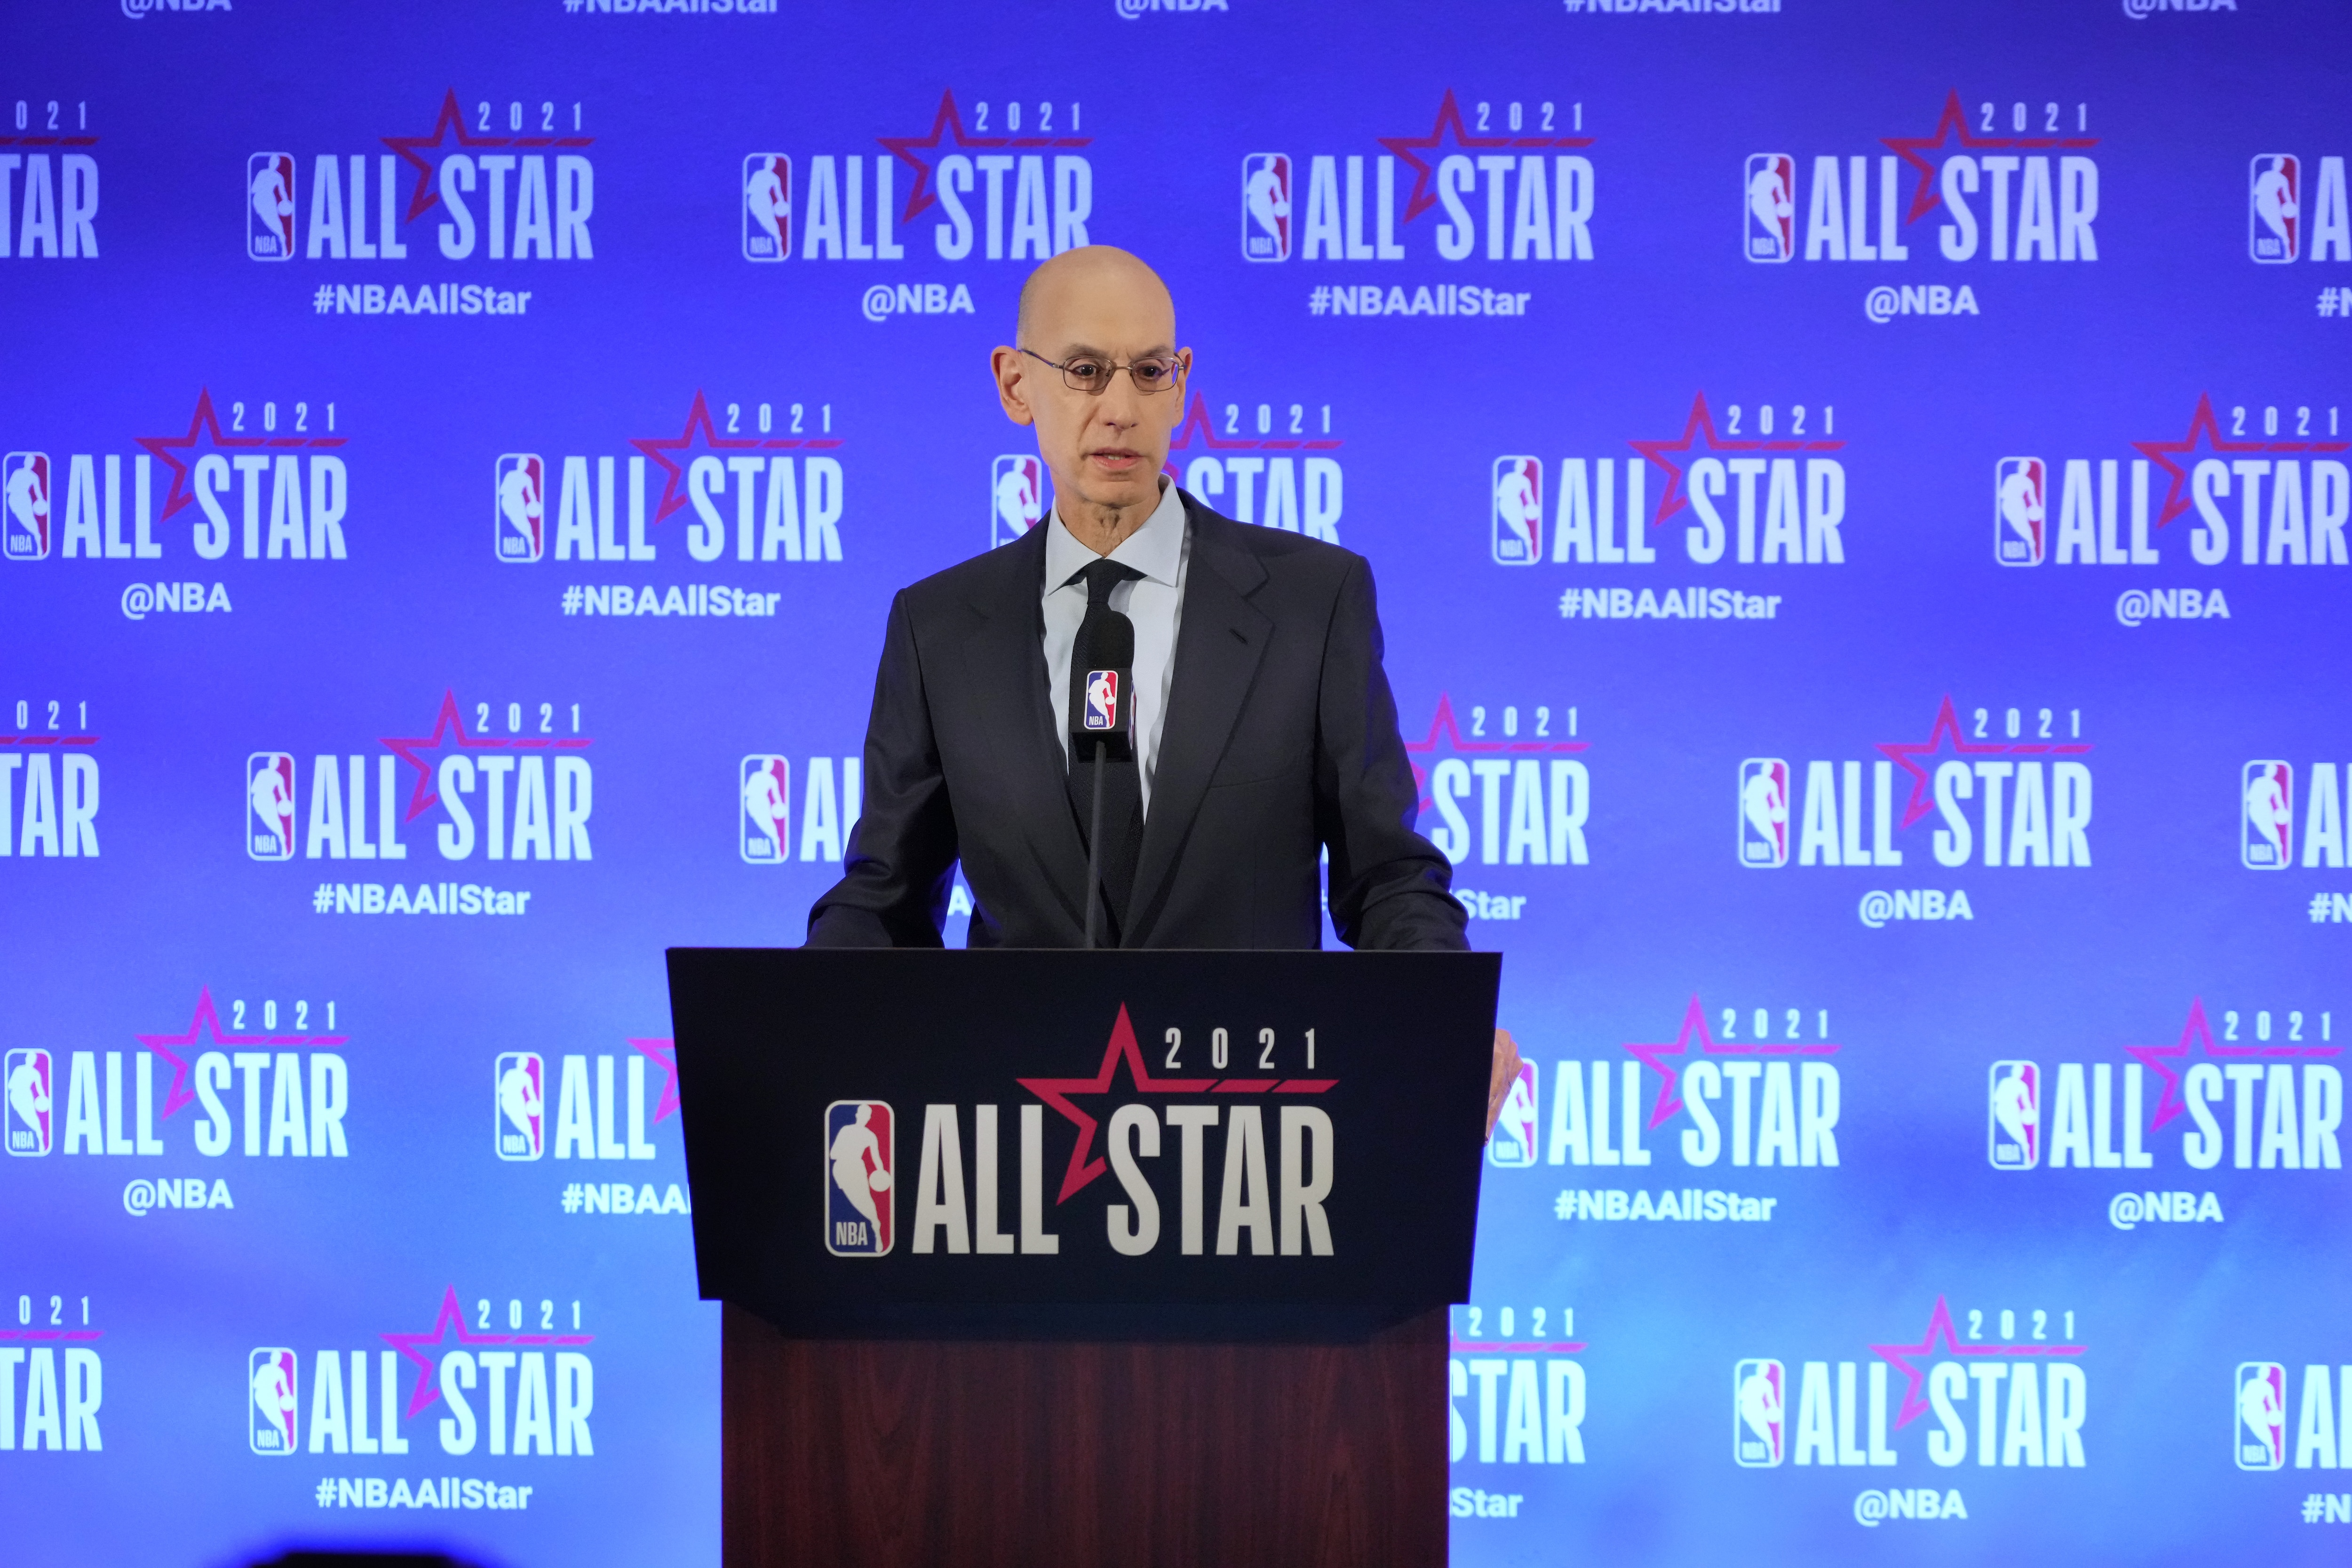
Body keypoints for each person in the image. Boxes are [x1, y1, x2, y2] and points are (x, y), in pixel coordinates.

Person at [806, 245, 1522, 1131]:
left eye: (1149, 372)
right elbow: (886, 903)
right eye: (1083, 370)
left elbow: (1388, 877)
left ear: (1181, 384)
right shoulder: (939, 627)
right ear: (1014, 383)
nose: (1120, 408)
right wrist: (792, 1037)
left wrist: (1442, 1018)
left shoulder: (1313, 603)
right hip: (1016, 1150)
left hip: (1257, 1153)